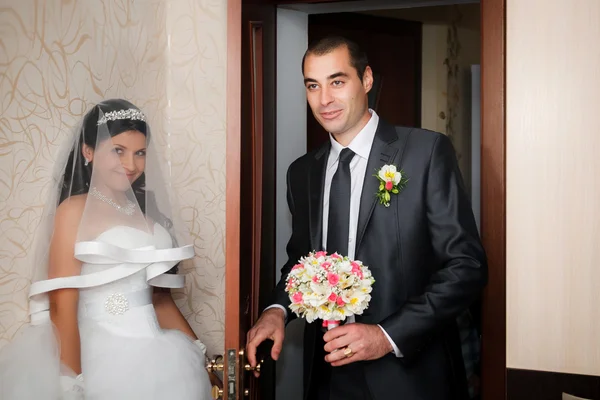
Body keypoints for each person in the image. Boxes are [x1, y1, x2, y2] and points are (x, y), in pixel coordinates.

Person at [246, 36, 487, 400]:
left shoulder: (425, 152)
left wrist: (385, 336)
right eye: (313, 85)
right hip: (327, 377)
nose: (324, 99)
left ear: (367, 79)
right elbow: (301, 262)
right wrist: (277, 309)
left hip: (410, 376)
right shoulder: (302, 173)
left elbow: (467, 266)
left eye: (337, 82)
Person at [0, 99, 211, 399]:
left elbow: (159, 301)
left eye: (140, 153)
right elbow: (63, 306)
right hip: (103, 358)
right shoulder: (73, 211)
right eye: (118, 151)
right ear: (88, 152)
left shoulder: (148, 216)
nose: (131, 165)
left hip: (162, 357)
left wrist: (199, 353)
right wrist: (73, 385)